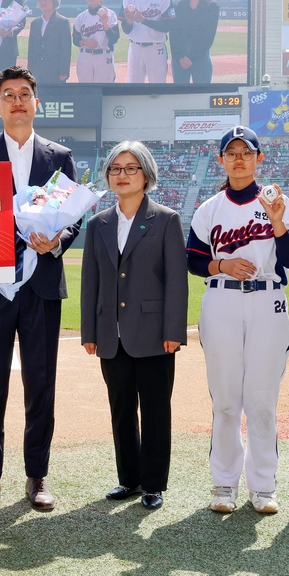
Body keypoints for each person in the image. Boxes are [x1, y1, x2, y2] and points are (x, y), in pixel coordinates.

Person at [0, 66, 81, 512]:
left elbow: (73, 216)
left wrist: (58, 242)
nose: (17, 101)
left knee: (40, 384)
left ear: (36, 102)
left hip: (41, 287)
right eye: (8, 95)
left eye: (24, 94)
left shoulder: (59, 156)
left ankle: (37, 476)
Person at [187, 126, 289, 514]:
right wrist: (222, 263)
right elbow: (192, 260)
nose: (238, 158)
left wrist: (277, 220)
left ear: (259, 159)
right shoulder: (209, 208)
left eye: (246, 152)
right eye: (231, 152)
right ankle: (223, 483)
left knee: (262, 400)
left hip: (268, 301)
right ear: (221, 160)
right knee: (224, 401)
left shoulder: (277, 203)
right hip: (221, 301)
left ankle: (263, 485)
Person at [81, 140, 186, 510]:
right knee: (121, 407)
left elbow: (176, 281)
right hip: (112, 336)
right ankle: (128, 479)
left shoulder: (167, 219)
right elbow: (90, 281)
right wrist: (89, 332)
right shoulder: (98, 224)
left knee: (156, 409)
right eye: (115, 169)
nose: (122, 175)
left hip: (156, 335)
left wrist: (175, 330)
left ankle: (154, 483)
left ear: (146, 175)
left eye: (130, 168)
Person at [120, 0, 173, 83]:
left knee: (157, 87)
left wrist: (143, 20)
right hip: (135, 48)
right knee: (134, 88)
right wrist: (129, 22)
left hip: (156, 49)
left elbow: (166, 27)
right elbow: (126, 29)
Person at [169, 0, 219, 84]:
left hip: (201, 58)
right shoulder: (178, 6)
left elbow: (209, 36)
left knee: (202, 95)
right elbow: (174, 35)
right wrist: (180, 56)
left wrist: (191, 57)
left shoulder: (211, 6)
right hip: (179, 59)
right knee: (180, 96)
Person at [72, 0, 120, 83]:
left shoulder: (110, 15)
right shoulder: (80, 17)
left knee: (105, 90)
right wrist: (84, 42)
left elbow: (114, 39)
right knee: (85, 90)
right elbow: (75, 39)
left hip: (104, 55)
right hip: (85, 56)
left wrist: (105, 23)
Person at [26, 0, 71, 84]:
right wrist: (29, 72)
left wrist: (64, 72)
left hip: (55, 73)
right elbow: (31, 50)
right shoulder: (35, 23)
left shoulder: (63, 22)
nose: (43, 2)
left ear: (54, 1)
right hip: (37, 73)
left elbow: (65, 50)